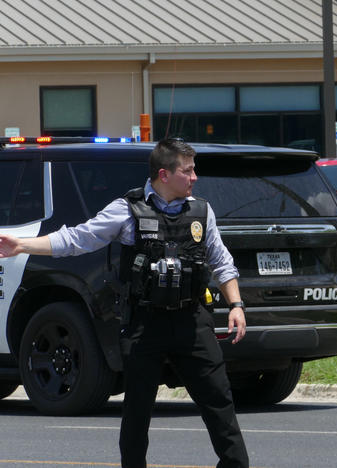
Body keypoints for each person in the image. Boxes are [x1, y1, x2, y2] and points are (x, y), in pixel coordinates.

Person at [0, 139, 249, 468]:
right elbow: (78, 238)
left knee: (220, 404)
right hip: (146, 325)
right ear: (164, 174)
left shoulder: (202, 212)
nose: (194, 177)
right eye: (187, 171)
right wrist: (22, 245)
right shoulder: (127, 210)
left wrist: (236, 305)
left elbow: (222, 263)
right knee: (137, 411)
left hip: (192, 324)